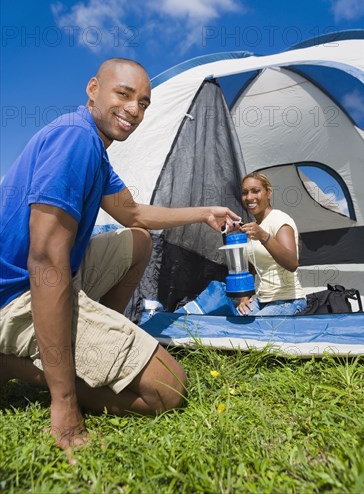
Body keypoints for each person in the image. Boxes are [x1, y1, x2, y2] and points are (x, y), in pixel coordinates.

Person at [0, 58, 240, 455]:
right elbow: (44, 261)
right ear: (93, 88)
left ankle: (89, 337)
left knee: (139, 241)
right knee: (166, 388)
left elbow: (134, 215)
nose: (134, 109)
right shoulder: (75, 139)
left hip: (48, 279)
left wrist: (204, 212)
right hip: (17, 296)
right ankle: (14, 365)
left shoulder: (93, 149)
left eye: (143, 103)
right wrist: (65, 404)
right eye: (124, 94)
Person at [236, 172, 306, 316]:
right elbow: (251, 266)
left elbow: (292, 263)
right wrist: (244, 298)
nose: (249, 197)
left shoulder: (279, 220)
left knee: (252, 331)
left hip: (289, 300)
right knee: (233, 323)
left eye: (255, 191)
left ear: (268, 193)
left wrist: (263, 235)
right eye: (245, 193)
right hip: (262, 300)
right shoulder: (254, 226)